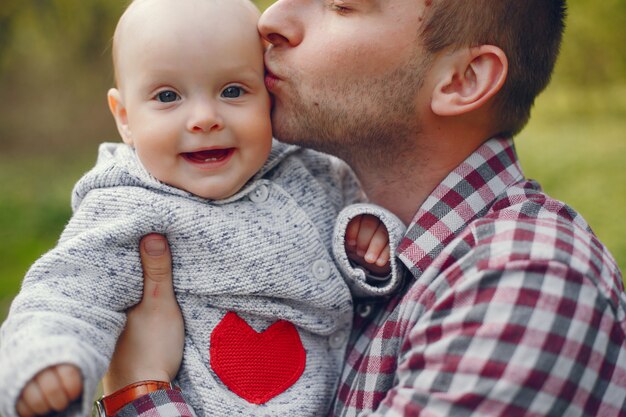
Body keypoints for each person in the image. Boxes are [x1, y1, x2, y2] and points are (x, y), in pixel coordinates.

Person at [85, 0, 626, 416]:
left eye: (341, 3)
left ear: (463, 80)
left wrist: (140, 390)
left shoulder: (528, 280)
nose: (272, 18)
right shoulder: (351, 250)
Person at [0, 0, 409, 416]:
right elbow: (64, 294)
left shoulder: (311, 169)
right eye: (167, 96)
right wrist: (45, 359)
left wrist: (364, 239)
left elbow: (358, 246)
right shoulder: (128, 208)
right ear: (125, 117)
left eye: (233, 91)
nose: (204, 118)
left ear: (269, 95)